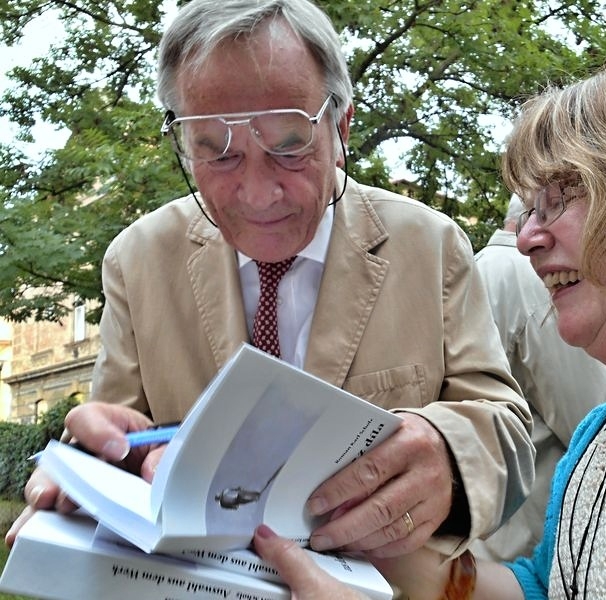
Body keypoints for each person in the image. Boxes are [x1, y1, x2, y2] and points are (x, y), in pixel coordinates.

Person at [217, 54, 606, 599]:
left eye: (562, 198)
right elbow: (546, 585)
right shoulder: (603, 425)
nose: (526, 239)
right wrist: (374, 546)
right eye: (529, 209)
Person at [5, 0, 535, 567]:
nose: (257, 194)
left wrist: (448, 457)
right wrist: (97, 465)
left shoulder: (427, 244)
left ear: (342, 125)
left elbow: (503, 428)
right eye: (216, 154)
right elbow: (111, 440)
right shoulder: (137, 261)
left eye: (288, 147)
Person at [472, 195, 606, 560]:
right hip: (524, 558)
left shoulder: (477, 268)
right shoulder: (529, 278)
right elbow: (601, 429)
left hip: (484, 556)